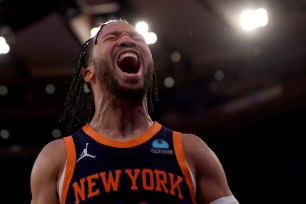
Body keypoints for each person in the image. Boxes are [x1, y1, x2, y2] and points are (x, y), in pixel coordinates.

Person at [30, 18, 239, 204]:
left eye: (136, 37)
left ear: (149, 64)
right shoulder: (58, 157)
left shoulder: (191, 150)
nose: (127, 40)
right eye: (111, 36)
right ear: (89, 73)